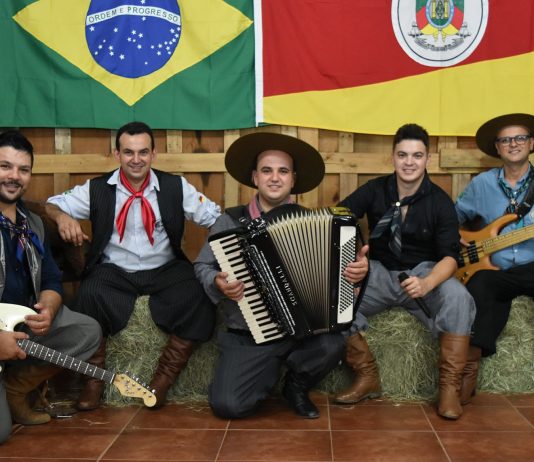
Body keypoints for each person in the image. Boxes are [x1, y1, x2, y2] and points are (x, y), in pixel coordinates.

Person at [45, 121, 221, 410]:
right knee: (87, 296)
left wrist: (216, 256)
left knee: (200, 296)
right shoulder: (97, 188)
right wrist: (62, 217)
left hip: (165, 268)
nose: (136, 159)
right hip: (114, 270)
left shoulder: (175, 186)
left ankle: (163, 379)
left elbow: (215, 217)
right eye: (128, 152)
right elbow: (51, 205)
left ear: (154, 154)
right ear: (117, 154)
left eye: (143, 152)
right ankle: (94, 379)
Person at [194, 132, 369, 419]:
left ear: (293, 179)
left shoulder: (315, 223)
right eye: (267, 170)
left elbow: (338, 281)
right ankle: (264, 369)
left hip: (303, 330)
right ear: (255, 177)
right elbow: (202, 266)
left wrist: (356, 274)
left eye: (283, 171)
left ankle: (295, 386)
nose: (275, 178)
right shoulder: (230, 222)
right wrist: (217, 282)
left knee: (333, 343)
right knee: (228, 406)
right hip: (250, 333)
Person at [334, 123, 476, 420]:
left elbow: (450, 258)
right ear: (393, 157)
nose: (409, 162)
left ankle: (449, 388)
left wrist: (427, 283)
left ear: (427, 160)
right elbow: (338, 219)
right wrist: (355, 259)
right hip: (379, 271)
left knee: (459, 297)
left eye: (417, 155)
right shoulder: (375, 189)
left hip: (424, 272)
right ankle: (367, 376)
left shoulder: (439, 201)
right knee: (331, 297)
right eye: (402, 155)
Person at [0, 131, 101, 444]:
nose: (14, 176)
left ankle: (15, 387)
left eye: (23, 169)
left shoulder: (33, 223)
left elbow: (50, 280)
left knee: (86, 331)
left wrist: (48, 307)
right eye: (5, 166)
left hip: (22, 325)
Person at [455, 113, 534, 404]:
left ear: (531, 144)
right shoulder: (482, 184)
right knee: (479, 287)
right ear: (498, 148)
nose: (514, 144)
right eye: (506, 140)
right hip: (495, 268)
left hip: (532, 266)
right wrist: (453, 236)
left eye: (520, 137)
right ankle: (468, 370)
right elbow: (451, 217)